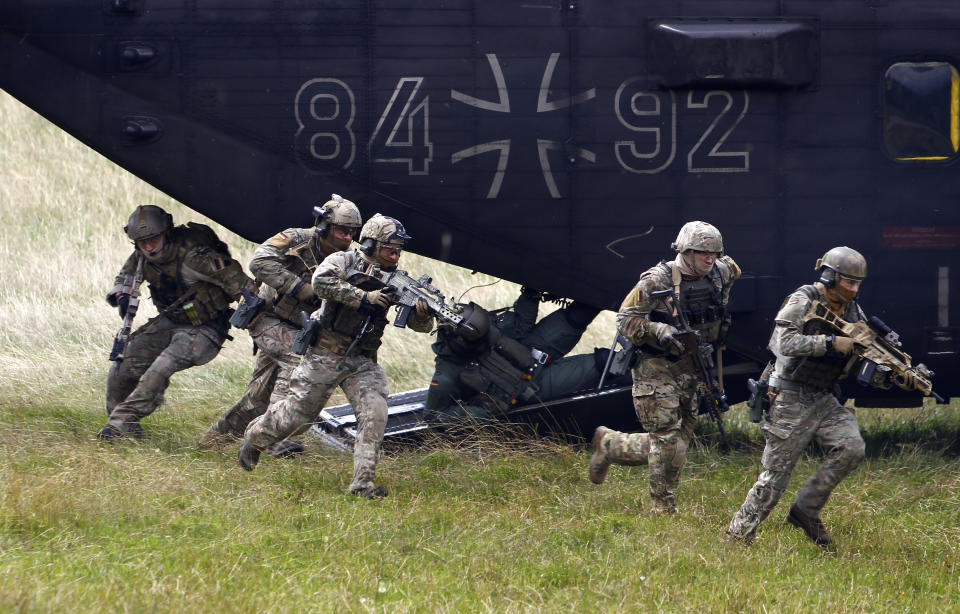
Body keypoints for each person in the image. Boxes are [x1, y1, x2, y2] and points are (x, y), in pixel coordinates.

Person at [726, 246, 920, 546]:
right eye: (848, 283)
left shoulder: (854, 312)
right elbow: (782, 342)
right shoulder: (803, 300)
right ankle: (738, 536)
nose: (854, 289)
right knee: (775, 477)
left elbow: (859, 361)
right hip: (789, 397)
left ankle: (806, 509)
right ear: (830, 276)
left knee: (851, 447)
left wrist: (890, 377)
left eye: (858, 284)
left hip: (824, 398)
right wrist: (829, 343)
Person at [237, 213, 434, 498]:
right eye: (390, 248)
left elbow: (418, 326)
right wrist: (363, 297)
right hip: (324, 354)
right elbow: (321, 283)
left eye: (399, 249)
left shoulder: (398, 280)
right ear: (369, 244)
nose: (395, 254)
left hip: (363, 361)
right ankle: (254, 439)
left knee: (375, 413)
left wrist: (421, 314)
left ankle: (362, 484)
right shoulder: (343, 262)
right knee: (295, 416)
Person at [588, 221, 740, 514]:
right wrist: (659, 330)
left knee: (675, 443)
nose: (709, 259)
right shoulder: (655, 281)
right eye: (702, 253)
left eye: (714, 254)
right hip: (655, 366)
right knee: (668, 439)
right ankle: (662, 508)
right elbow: (624, 320)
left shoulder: (722, 272)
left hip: (693, 364)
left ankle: (609, 445)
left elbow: (733, 270)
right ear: (684, 251)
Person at [198, 195, 362, 457]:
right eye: (342, 231)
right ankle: (274, 437)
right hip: (267, 318)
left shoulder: (350, 259)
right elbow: (259, 262)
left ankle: (213, 440)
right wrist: (300, 288)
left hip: (301, 327)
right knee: (297, 360)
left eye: (352, 233)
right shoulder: (295, 239)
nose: (347, 238)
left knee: (257, 399)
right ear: (323, 226)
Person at [99, 205, 254, 439]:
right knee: (123, 364)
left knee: (160, 368)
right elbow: (125, 277)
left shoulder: (196, 258)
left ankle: (120, 422)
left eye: (154, 239)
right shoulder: (142, 256)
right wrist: (122, 295)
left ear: (166, 233)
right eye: (143, 242)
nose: (149, 246)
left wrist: (259, 321)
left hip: (206, 329)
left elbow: (244, 287)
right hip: (171, 321)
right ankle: (124, 425)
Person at [422, 287, 622, 424]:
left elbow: (519, 325)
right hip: (533, 386)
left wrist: (530, 295)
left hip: (532, 350)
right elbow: (432, 417)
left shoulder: (483, 329)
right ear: (462, 342)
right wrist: (480, 413)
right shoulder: (447, 375)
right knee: (607, 362)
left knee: (582, 311)